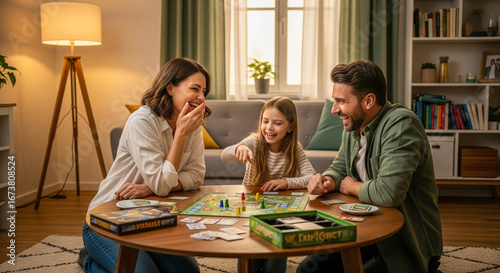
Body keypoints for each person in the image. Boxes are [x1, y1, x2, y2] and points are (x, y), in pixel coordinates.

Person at [296, 60, 443, 273]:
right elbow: (339, 168)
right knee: (306, 271)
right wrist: (327, 181)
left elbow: (388, 193)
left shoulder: (401, 125)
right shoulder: (354, 126)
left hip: (403, 241)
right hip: (366, 229)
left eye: (341, 101)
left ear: (369, 101)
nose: (334, 109)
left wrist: (349, 187)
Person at [80, 57, 211, 273]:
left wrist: (149, 188)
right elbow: (162, 185)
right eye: (195, 89)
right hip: (109, 216)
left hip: (154, 216)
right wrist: (180, 135)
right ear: (171, 88)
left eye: (204, 91)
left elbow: (196, 176)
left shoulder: (193, 123)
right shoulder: (142, 121)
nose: (201, 97)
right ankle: (91, 262)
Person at [221, 96, 316, 272]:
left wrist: (286, 182)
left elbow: (311, 177)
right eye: (265, 121)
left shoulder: (295, 148)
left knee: (274, 261)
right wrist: (238, 148)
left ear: (291, 127)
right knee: (250, 257)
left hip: (280, 213)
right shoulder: (254, 142)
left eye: (277, 123)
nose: (269, 128)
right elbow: (225, 155)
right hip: (250, 209)